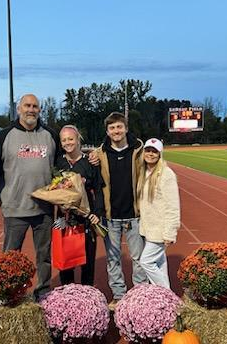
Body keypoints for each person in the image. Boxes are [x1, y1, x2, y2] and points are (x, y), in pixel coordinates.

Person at [0, 93, 60, 301]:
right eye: (27, 105)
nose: (31, 109)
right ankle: (9, 292)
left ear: (39, 110)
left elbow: (61, 169)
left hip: (43, 210)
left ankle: (42, 291)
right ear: (19, 109)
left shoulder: (50, 135)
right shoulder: (5, 136)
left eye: (35, 106)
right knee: (11, 256)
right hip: (15, 207)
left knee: (44, 256)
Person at [93, 112, 147, 310]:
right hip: (111, 216)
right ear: (107, 132)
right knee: (113, 259)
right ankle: (118, 296)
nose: (116, 131)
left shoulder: (138, 151)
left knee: (138, 258)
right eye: (112, 128)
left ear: (126, 128)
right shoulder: (100, 154)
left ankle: (139, 295)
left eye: (119, 127)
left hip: (134, 214)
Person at [56, 125, 105, 286]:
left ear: (78, 140)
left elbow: (98, 189)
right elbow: (51, 189)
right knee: (65, 264)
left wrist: (97, 213)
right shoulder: (58, 162)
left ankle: (87, 298)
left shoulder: (90, 162)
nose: (68, 142)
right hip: (64, 219)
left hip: (86, 219)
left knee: (87, 262)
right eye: (64, 140)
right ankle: (67, 298)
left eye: (71, 138)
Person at [138, 138, 180, 288]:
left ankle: (165, 295)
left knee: (146, 261)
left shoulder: (166, 174)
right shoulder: (144, 172)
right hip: (149, 227)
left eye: (154, 151)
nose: (150, 154)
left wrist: (170, 232)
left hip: (159, 229)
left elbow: (173, 206)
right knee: (160, 264)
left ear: (160, 153)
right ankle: (166, 297)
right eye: (148, 150)